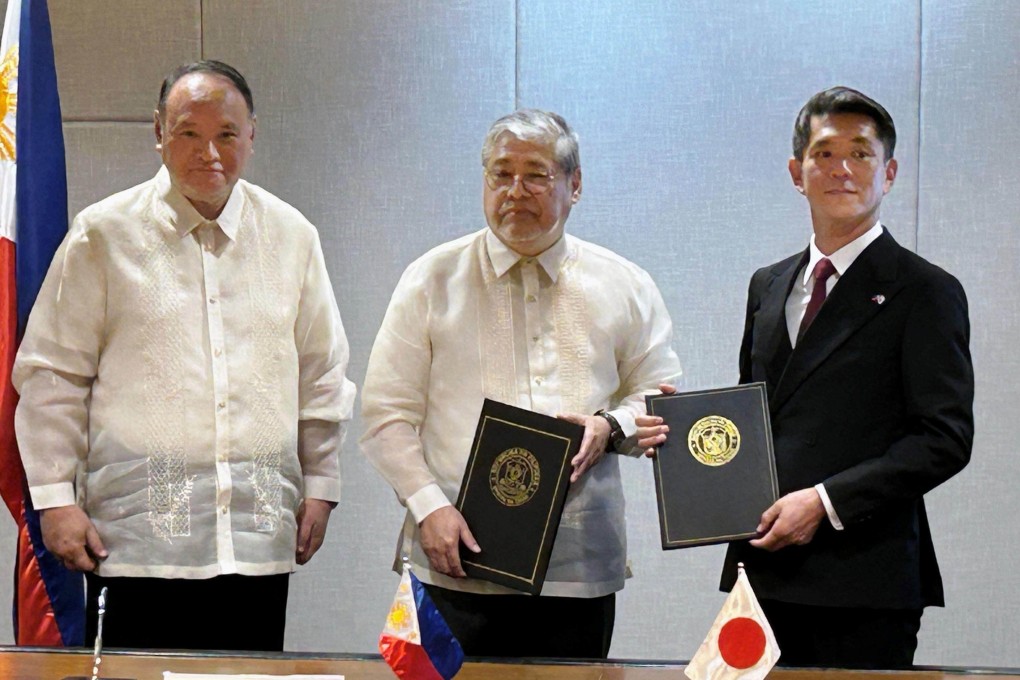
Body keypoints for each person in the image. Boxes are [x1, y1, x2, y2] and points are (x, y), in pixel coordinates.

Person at [13, 60, 356, 651]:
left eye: (226, 133)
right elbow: (53, 376)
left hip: (256, 539)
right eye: (188, 133)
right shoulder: (104, 234)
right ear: (158, 132)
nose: (210, 152)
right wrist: (54, 500)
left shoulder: (292, 236)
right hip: (134, 544)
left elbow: (320, 370)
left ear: (252, 134)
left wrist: (322, 482)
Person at [360, 109, 681, 659]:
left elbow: (659, 396)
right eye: (500, 174)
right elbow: (387, 414)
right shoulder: (431, 279)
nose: (515, 190)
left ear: (574, 184)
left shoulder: (625, 283)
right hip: (449, 560)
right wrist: (428, 506)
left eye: (536, 174)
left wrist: (610, 426)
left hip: (576, 567)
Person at [711, 86, 972, 668]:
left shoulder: (925, 291)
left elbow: (945, 438)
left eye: (861, 154)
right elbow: (758, 417)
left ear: (890, 172)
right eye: (824, 154)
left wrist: (825, 502)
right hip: (762, 567)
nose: (842, 170)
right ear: (796, 172)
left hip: (864, 579)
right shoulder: (769, 284)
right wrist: (693, 447)